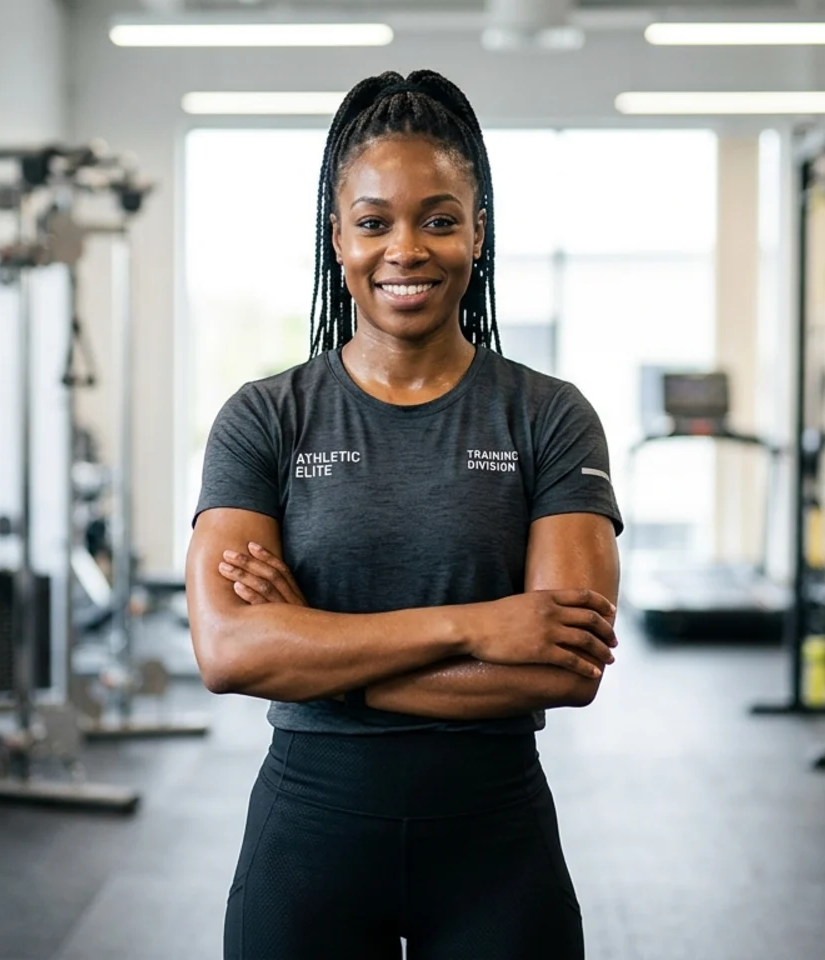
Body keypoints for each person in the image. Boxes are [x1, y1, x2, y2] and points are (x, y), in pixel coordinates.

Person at [186, 69, 622, 960]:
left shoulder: (549, 415)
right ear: (338, 237)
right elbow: (230, 651)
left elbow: (566, 666)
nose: (406, 250)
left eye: (439, 220)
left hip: (495, 844)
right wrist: (478, 625)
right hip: (308, 839)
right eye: (375, 222)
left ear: (478, 232)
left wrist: (317, 653)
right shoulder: (265, 417)